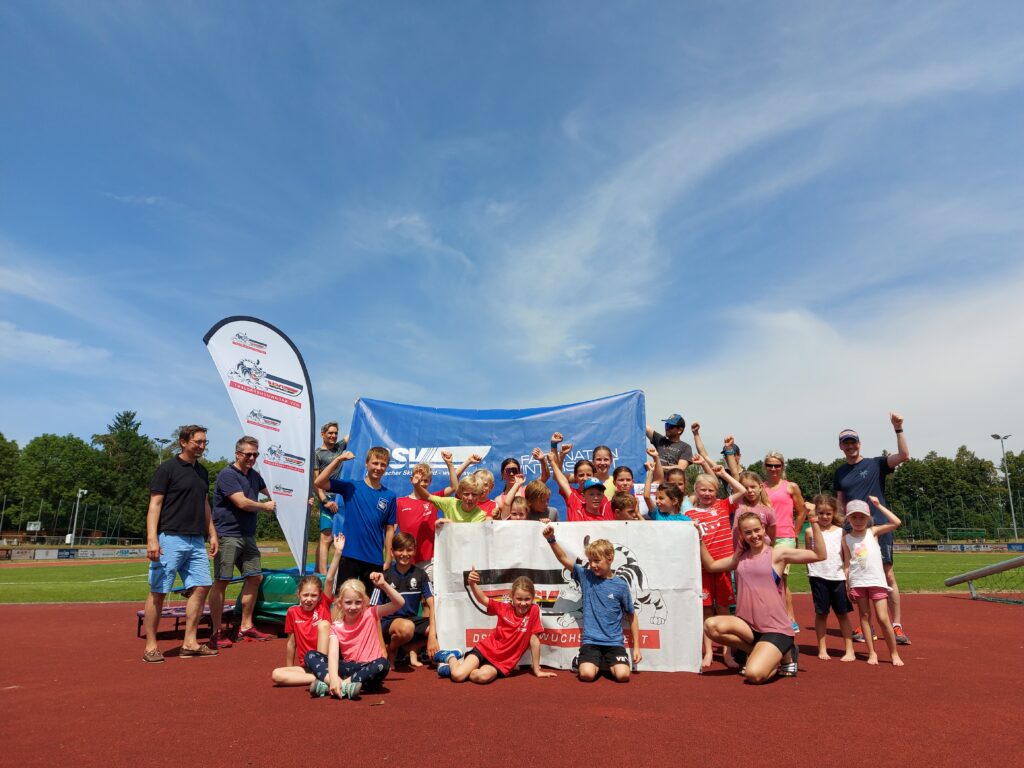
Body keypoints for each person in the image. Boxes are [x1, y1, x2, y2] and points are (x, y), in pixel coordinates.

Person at [701, 509, 827, 682]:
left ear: (763, 528)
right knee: (711, 626)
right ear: (741, 535)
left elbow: (820, 555)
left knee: (754, 675)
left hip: (775, 628)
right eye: (748, 532)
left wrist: (813, 520)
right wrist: (699, 539)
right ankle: (761, 653)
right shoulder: (739, 558)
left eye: (757, 530)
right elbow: (711, 566)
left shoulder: (778, 554)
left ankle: (784, 652)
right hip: (747, 627)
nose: (754, 535)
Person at [142, 425, 219, 663]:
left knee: (202, 586)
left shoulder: (202, 472)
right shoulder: (167, 469)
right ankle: (151, 646)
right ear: (183, 442)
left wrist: (212, 533)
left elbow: (205, 504)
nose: (202, 446)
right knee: (159, 591)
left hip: (196, 540)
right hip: (170, 537)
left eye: (205, 442)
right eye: (198, 442)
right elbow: (155, 504)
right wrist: (152, 538)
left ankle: (190, 643)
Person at [832, 412, 911, 644]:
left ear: (859, 443)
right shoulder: (839, 472)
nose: (850, 446)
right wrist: (840, 528)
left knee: (888, 575)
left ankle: (896, 626)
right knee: (856, 576)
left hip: (878, 528)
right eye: (845, 443)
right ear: (841, 447)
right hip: (853, 530)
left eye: (853, 442)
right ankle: (865, 623)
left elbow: (904, 456)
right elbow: (839, 503)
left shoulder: (875, 464)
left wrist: (898, 428)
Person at [542, 527, 641, 682]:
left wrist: (637, 648)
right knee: (587, 675)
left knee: (623, 676)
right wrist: (551, 539)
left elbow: (632, 616)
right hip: (591, 641)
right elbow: (563, 559)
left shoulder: (621, 585)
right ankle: (584, 661)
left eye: (597, 561)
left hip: (614, 642)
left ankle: (602, 662)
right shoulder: (585, 575)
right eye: (590, 561)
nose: (593, 565)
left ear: (610, 559)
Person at [207, 436, 277, 647]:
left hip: (248, 535)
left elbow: (276, 493)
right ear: (237, 454)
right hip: (227, 535)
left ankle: (245, 626)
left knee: (255, 578)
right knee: (222, 581)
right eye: (248, 454)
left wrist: (301, 500)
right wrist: (265, 506)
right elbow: (241, 502)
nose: (252, 458)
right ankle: (216, 631)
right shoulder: (227, 475)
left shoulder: (254, 475)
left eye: (255, 454)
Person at [434, 570, 556, 684]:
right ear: (512, 597)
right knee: (458, 676)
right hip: (485, 650)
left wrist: (536, 670)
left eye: (527, 599)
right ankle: (451, 657)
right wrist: (472, 584)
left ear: (533, 598)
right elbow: (483, 599)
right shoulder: (504, 608)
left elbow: (534, 640)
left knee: (482, 677)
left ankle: (456, 668)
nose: (523, 603)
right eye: (519, 599)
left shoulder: (534, 610)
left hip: (502, 663)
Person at [307, 573, 405, 700]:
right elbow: (333, 654)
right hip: (348, 668)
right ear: (340, 603)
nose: (353, 607)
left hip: (369, 669)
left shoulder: (370, 613)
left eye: (358, 602)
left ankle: (338, 685)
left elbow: (399, 603)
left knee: (383, 664)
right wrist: (333, 677)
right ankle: (337, 684)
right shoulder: (336, 626)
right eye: (348, 602)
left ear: (364, 602)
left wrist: (384, 585)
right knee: (311, 655)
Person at [313, 446, 396, 596]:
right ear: (366, 463)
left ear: (386, 467)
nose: (378, 468)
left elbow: (389, 529)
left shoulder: (390, 496)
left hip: (374, 559)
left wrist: (388, 559)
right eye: (375, 463)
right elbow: (319, 482)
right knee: (342, 601)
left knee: (370, 605)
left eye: (383, 465)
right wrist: (338, 459)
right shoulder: (351, 487)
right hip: (349, 555)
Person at [270, 534, 344, 687]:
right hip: (307, 667)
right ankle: (322, 679)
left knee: (324, 624)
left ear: (319, 597)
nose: (309, 599)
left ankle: (324, 673)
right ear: (299, 595)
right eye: (305, 595)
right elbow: (291, 643)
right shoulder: (292, 612)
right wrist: (289, 669)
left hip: (327, 662)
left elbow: (329, 579)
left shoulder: (322, 605)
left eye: (313, 595)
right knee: (277, 674)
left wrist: (338, 552)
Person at [843, 498, 905, 667]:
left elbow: (896, 522)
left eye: (862, 517)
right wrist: (848, 584)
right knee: (864, 616)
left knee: (883, 618)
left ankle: (894, 653)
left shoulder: (873, 532)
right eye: (854, 517)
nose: (858, 521)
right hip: (858, 582)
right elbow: (847, 564)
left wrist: (878, 506)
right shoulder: (846, 539)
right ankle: (872, 652)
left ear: (868, 518)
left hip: (876, 581)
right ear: (848, 519)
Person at [686, 471, 737, 669]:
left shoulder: (723, 505)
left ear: (716, 491)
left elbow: (741, 490)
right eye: (703, 490)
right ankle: (708, 651)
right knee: (706, 610)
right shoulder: (689, 515)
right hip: (702, 569)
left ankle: (727, 652)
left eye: (711, 490)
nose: (707, 494)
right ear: (696, 491)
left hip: (724, 566)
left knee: (724, 610)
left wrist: (723, 474)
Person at [372, 532, 438, 667]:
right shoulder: (384, 577)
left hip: (411, 621)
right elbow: (373, 613)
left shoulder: (420, 574)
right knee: (407, 628)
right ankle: (392, 649)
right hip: (389, 624)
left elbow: (432, 604)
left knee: (442, 626)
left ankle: (413, 646)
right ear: (392, 552)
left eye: (409, 550)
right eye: (400, 550)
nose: (405, 554)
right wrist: (382, 648)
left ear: (415, 551)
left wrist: (432, 637)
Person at [804, 495, 855, 662]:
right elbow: (809, 553)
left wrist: (847, 575)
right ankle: (822, 648)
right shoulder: (810, 531)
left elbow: (846, 556)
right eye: (820, 513)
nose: (824, 517)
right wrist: (811, 571)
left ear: (834, 513)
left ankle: (849, 649)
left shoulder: (841, 532)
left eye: (828, 513)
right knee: (821, 614)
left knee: (842, 614)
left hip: (838, 577)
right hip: (818, 577)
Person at [762, 450, 808, 633]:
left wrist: (795, 533)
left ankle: (790, 618)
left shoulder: (791, 487)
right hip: (765, 538)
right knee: (766, 577)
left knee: (781, 577)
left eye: (777, 465)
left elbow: (802, 511)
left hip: (784, 537)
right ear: (765, 467)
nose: (773, 469)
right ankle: (770, 616)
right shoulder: (760, 487)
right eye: (770, 465)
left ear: (782, 467)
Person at [312, 421, 349, 574]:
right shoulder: (317, 453)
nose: (333, 436)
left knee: (337, 537)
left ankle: (317, 570)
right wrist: (325, 501)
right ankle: (323, 575)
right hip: (327, 498)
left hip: (341, 498)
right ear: (322, 434)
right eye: (330, 433)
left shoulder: (339, 447)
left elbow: (353, 431)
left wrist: (361, 410)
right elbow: (315, 481)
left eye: (335, 433)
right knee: (326, 537)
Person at [395, 461, 440, 584]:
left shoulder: (434, 500)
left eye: (425, 480)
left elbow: (453, 487)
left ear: (430, 481)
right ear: (412, 479)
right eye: (419, 480)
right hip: (406, 559)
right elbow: (392, 530)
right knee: (407, 593)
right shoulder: (399, 502)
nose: (422, 483)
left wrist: (450, 464)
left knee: (429, 594)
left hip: (428, 561)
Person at [549, 445, 612, 521]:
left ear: (593, 475)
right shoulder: (573, 497)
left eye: (588, 475)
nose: (585, 478)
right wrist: (554, 460)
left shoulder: (603, 499)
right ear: (575, 477)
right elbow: (559, 478)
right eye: (581, 475)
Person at [411, 470, 486, 523]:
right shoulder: (450, 503)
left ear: (480, 495)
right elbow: (428, 497)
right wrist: (416, 485)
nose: (470, 498)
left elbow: (468, 536)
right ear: (460, 494)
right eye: (466, 494)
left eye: (474, 494)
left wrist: (449, 525)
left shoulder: (480, 515)